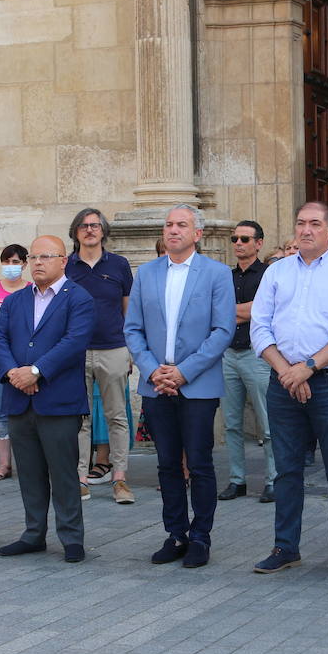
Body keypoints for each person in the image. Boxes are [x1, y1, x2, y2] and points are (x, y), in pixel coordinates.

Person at [250, 201, 328, 579]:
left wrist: (308, 368)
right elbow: (260, 327)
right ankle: (285, 547)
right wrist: (288, 372)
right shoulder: (276, 273)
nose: (305, 230)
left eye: (315, 224)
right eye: (301, 223)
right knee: (286, 471)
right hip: (282, 383)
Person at [124, 204, 236, 569]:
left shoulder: (216, 274)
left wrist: (184, 372)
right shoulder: (147, 274)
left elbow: (222, 330)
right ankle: (176, 534)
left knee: (200, 464)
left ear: (197, 233)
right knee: (167, 465)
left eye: (181, 225)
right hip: (156, 384)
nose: (173, 230)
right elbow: (133, 329)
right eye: (169, 224)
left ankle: (201, 537)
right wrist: (153, 370)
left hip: (197, 384)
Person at [0, 235, 96, 563]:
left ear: (63, 261)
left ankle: (71, 538)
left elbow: (74, 341)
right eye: (32, 257)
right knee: (30, 472)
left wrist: (35, 371)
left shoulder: (78, 298)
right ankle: (33, 533)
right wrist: (13, 375)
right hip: (20, 399)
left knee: (63, 473)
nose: (36, 262)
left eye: (45, 256)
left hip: (58, 401)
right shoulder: (15, 300)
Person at [66, 208, 137, 505]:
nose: (89, 230)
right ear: (75, 232)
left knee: (117, 416)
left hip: (113, 348)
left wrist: (131, 349)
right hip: (75, 352)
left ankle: (119, 479)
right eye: (83, 226)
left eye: (95, 225)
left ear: (104, 231)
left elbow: (128, 310)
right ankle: (80, 479)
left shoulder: (119, 265)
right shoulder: (66, 266)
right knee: (78, 419)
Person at [219, 220, 277, 504]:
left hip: (257, 354)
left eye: (244, 239)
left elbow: (262, 310)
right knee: (231, 423)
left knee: (267, 423)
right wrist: (243, 311)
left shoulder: (269, 275)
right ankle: (237, 480)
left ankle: (274, 480)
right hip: (228, 354)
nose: (238, 244)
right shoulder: (225, 277)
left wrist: (235, 312)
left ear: (259, 243)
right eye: (234, 239)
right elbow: (216, 312)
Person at [0, 244, 29, 480]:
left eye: (15, 262)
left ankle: (27, 461)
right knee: (0, 411)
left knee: (23, 410)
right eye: (6, 262)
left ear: (24, 264)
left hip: (22, 360)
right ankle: (4, 464)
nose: (11, 267)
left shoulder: (31, 289)